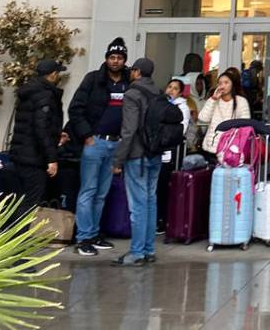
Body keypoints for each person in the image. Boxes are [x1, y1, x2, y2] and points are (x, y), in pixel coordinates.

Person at [69, 37, 130, 257]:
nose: (115, 61)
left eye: (119, 58)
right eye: (112, 57)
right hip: (95, 143)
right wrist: (87, 136)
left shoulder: (128, 82)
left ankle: (94, 234)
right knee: (88, 190)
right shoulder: (93, 79)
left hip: (116, 143)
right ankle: (83, 237)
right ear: (106, 59)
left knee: (102, 193)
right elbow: (75, 109)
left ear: (124, 60)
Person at [111, 58, 161, 267]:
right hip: (154, 154)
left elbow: (129, 130)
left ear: (138, 72)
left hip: (136, 156)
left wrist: (118, 160)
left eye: (132, 70)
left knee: (138, 206)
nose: (130, 72)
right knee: (150, 201)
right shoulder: (158, 93)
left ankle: (137, 252)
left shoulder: (132, 94)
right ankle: (149, 249)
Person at [10, 59, 66, 217]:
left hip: (22, 153)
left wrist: (56, 133)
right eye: (57, 73)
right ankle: (18, 238)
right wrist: (51, 159)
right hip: (34, 157)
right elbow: (41, 129)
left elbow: (33, 123)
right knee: (31, 202)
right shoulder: (45, 95)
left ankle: (12, 236)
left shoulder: (30, 91)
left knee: (24, 198)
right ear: (52, 75)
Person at [155, 79, 192, 233]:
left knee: (164, 185)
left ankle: (163, 219)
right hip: (157, 150)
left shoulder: (181, 108)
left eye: (175, 88)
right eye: (169, 86)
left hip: (170, 151)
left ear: (180, 92)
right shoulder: (159, 103)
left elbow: (180, 130)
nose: (171, 90)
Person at [198, 68, 251, 160]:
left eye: (226, 83)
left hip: (231, 148)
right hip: (212, 147)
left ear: (232, 85)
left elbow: (245, 124)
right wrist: (213, 99)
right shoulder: (214, 100)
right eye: (220, 83)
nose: (223, 86)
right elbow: (203, 118)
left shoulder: (241, 101)